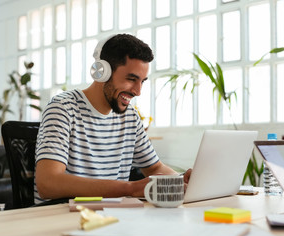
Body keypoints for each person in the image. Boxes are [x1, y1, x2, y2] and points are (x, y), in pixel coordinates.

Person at [35, 33, 192, 203]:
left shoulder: (130, 117)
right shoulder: (63, 108)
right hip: (61, 215)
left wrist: (181, 180)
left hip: (112, 215)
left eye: (142, 81)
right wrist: (131, 189)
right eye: (131, 79)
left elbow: (154, 167)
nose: (137, 91)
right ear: (101, 72)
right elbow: (48, 183)